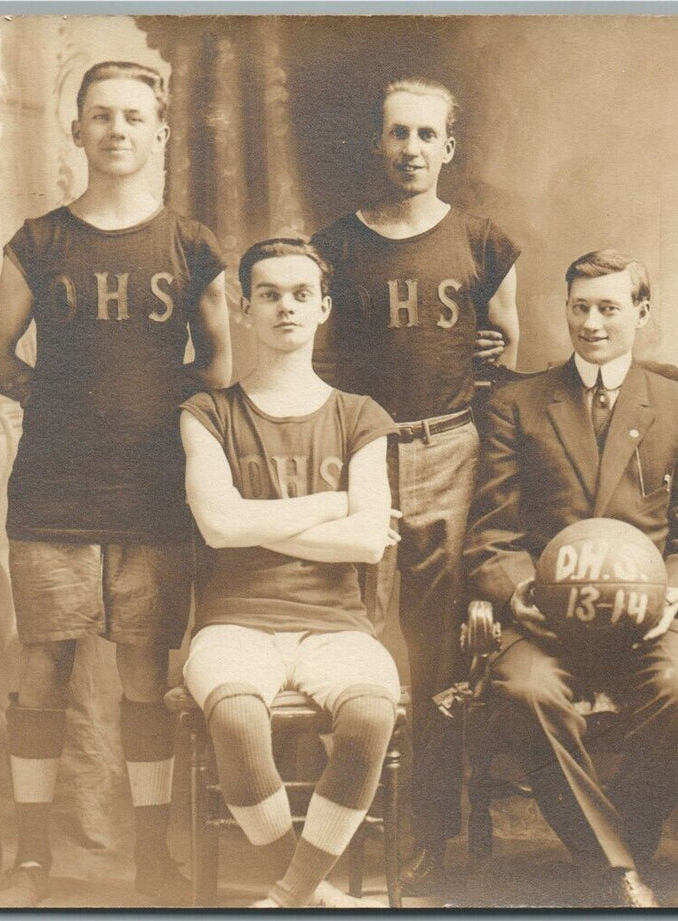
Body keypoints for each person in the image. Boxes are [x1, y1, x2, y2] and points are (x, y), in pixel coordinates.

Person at [0, 60, 231, 907]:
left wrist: (160, 413)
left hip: (155, 492)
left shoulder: (191, 244)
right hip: (51, 491)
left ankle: (154, 860)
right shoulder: (40, 240)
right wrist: (51, 405)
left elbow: (220, 364)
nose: (116, 129)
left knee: (140, 673)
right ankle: (33, 862)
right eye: (100, 115)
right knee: (44, 665)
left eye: (133, 116)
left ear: (160, 131)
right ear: (76, 129)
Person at [464, 250, 678, 907]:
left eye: (608, 307)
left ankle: (613, 855)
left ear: (640, 313)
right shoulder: (514, 404)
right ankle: (617, 872)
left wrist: (673, 595)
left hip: (649, 623)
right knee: (523, 691)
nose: (591, 322)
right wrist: (519, 589)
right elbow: (491, 531)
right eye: (579, 306)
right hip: (547, 622)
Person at [309, 77, 521, 889]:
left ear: (447, 149)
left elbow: (506, 344)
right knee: (351, 633)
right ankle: (348, 828)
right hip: (358, 452)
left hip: (449, 449)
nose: (411, 150)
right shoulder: (334, 244)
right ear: (378, 143)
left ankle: (433, 827)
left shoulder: (482, 240)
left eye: (426, 135)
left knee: (438, 653)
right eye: (397, 133)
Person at [179, 238, 402, 908]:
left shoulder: (359, 415)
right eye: (269, 294)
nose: (285, 307)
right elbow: (219, 527)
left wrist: (262, 519)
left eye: (301, 294)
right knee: (239, 719)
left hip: (336, 625)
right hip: (234, 622)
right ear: (244, 310)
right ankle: (311, 894)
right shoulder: (208, 413)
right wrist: (330, 503)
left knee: (369, 713)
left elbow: (368, 541)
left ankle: (287, 898)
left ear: (323, 308)